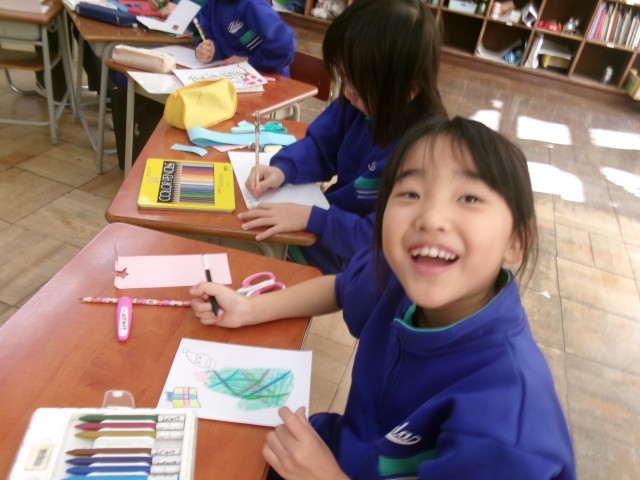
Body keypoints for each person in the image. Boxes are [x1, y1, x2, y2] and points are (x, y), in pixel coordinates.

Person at [189, 116, 577, 479]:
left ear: (516, 241)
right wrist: (248, 308)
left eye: (469, 198)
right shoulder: (401, 275)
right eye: (410, 193)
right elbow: (341, 288)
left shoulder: (508, 425)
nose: (430, 218)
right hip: (342, 452)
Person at [238, 0, 447, 274]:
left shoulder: (427, 154)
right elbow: (321, 146)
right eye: (345, 81)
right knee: (242, 235)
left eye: (357, 90)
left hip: (358, 263)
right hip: (326, 229)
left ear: (408, 90)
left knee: (250, 258)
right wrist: (282, 169)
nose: (347, 95)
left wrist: (312, 219)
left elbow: (384, 239)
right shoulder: (360, 105)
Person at [149, 0, 296, 76]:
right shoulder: (212, 4)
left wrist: (250, 61)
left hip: (268, 82)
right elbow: (207, 36)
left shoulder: (252, 4)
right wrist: (208, 49)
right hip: (232, 78)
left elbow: (285, 43)